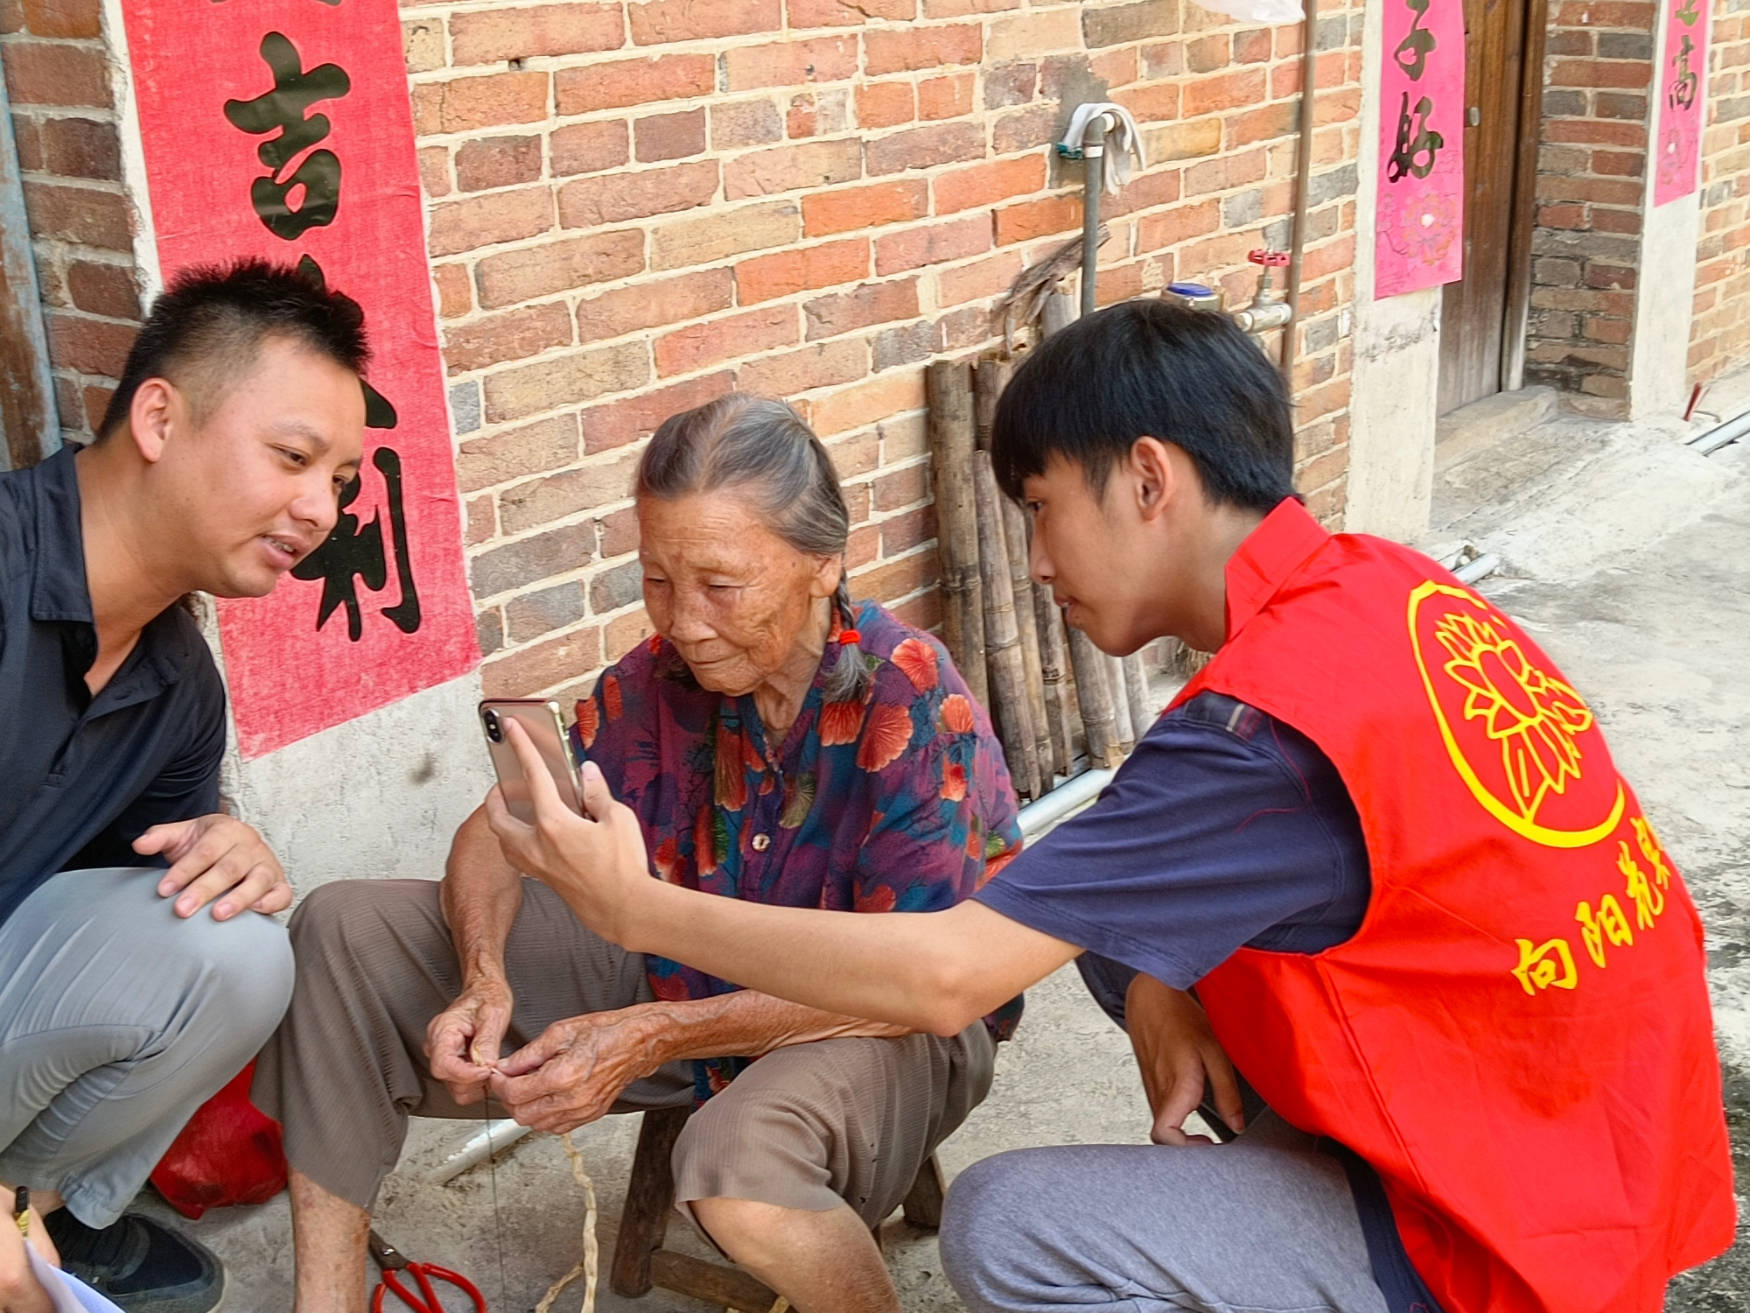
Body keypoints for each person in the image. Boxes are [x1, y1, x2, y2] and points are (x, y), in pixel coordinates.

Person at [486, 301, 1735, 1313]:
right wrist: (1155, 976)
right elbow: (1113, 893)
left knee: (1009, 1225)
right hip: (1609, 1138)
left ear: (1148, 480)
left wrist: (634, 902)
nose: (1031, 559)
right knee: (1108, 947)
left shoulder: (1248, 732)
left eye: (1040, 506)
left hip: (1498, 1229)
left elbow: (944, 977)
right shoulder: (1390, 590)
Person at [255, 393, 1022, 1313]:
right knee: (343, 929)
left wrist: (656, 1032)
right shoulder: (660, 677)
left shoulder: (910, 698)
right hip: (689, 969)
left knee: (735, 1160)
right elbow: (497, 831)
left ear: (823, 565)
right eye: (659, 579)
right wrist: (485, 974)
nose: (684, 619)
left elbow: (920, 987)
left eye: (720, 584)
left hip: (888, 1016)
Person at [0, 258, 371, 1313]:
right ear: (159, 417)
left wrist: (228, 852)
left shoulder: (176, 688)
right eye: (293, 457)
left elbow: (129, 918)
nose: (318, 509)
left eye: (339, 480)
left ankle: (43, 1215)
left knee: (232, 942)